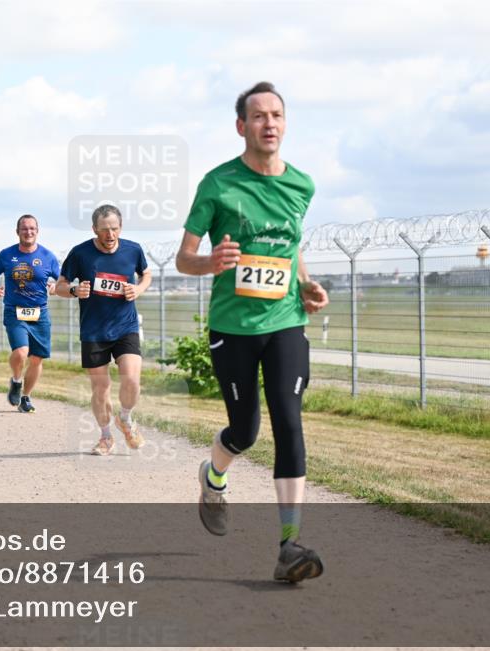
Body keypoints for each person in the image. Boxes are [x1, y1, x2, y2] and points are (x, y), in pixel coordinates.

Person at [176, 81, 330, 584]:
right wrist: (209, 262)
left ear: (285, 124)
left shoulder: (302, 185)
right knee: (245, 430)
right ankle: (213, 477)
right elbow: (184, 259)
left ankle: (290, 545)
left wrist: (307, 285)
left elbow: (291, 248)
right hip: (232, 327)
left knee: (289, 420)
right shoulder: (218, 184)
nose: (269, 124)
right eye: (259, 116)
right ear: (241, 126)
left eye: (277, 115)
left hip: (286, 320)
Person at [55, 204, 152, 456]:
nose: (110, 235)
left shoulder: (133, 249)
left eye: (115, 229)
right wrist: (75, 290)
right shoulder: (80, 254)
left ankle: (126, 418)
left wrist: (138, 289)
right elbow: (60, 286)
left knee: (131, 379)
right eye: (105, 230)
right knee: (101, 388)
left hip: (125, 326)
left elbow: (146, 275)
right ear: (94, 229)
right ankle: (106, 437)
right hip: (93, 331)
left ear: (121, 227)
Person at [0, 214, 60, 414]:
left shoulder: (48, 256)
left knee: (37, 359)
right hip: (14, 311)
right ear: (17, 231)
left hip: (40, 313)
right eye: (24, 229)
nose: (28, 232)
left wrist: (55, 286)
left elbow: (62, 279)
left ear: (37, 231)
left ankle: (25, 397)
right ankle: (16, 380)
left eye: (32, 229)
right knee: (21, 352)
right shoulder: (7, 255)